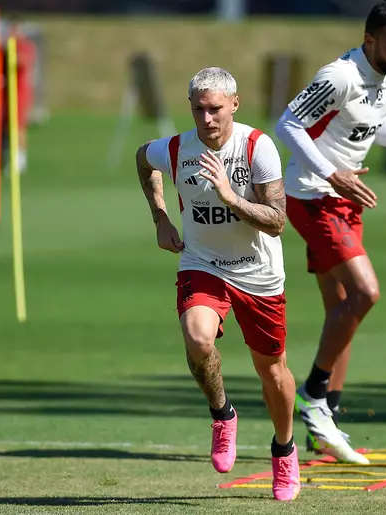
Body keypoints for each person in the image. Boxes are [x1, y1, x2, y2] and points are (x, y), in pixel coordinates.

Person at [275, 0, 386, 463]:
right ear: (368, 41)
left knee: (342, 312)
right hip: (313, 195)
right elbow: (289, 123)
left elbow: (372, 125)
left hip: (344, 196)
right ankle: (313, 397)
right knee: (366, 293)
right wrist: (331, 173)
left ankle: (324, 427)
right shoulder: (338, 75)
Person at [136, 67, 300, 501]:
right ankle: (222, 414)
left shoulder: (256, 146)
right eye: (198, 109)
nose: (206, 119)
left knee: (273, 372)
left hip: (258, 274)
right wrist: (161, 217)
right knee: (197, 336)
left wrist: (231, 197)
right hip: (202, 263)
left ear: (234, 105)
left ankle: (284, 450)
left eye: (215, 109)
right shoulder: (175, 148)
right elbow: (142, 159)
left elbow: (278, 222)